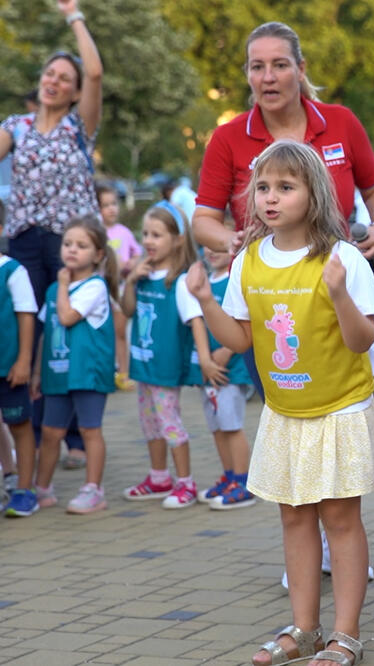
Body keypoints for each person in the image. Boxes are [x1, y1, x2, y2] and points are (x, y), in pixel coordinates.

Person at [189, 139, 374, 666]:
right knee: (295, 518)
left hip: (340, 409)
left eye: (285, 186)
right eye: (262, 187)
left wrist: (340, 294)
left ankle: (345, 635)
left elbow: (363, 341)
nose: (270, 198)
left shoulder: (342, 258)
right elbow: (239, 342)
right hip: (284, 412)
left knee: (341, 521)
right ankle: (304, 630)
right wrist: (205, 300)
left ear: (315, 193)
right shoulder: (249, 260)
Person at [192, 22, 374, 262]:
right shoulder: (227, 137)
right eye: (257, 67)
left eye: (280, 65)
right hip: (261, 279)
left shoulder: (342, 121)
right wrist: (232, 240)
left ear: (300, 69)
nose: (268, 77)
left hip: (335, 273)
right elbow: (203, 220)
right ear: (248, 74)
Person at [0, 0, 103, 310]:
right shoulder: (16, 127)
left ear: (75, 94)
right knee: (24, 322)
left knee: (65, 326)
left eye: (64, 78)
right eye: (50, 74)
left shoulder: (78, 126)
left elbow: (95, 74)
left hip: (72, 243)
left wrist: (74, 16)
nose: (53, 81)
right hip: (24, 240)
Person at [121, 202, 225, 509]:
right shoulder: (143, 274)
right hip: (143, 364)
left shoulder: (179, 282)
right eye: (146, 234)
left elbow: (196, 322)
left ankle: (186, 483)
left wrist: (205, 359)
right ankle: (158, 477)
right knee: (148, 423)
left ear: (178, 240)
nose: (149, 241)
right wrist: (130, 280)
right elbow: (127, 310)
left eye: (157, 234)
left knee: (169, 423)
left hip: (165, 367)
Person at [31, 215, 117, 514]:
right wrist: (37, 373)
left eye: (82, 245)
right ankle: (41, 489)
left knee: (90, 429)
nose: (72, 250)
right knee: (51, 431)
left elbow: (67, 317)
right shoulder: (55, 289)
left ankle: (93, 489)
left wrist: (64, 285)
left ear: (98, 254)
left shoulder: (94, 287)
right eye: (68, 243)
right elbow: (47, 331)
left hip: (87, 372)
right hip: (57, 372)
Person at [190, 246, 255, 510]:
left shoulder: (236, 280)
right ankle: (228, 476)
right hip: (209, 371)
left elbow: (248, 321)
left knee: (231, 425)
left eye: (220, 246)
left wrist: (228, 350)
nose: (212, 251)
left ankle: (243, 482)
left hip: (231, 369)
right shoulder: (204, 281)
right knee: (216, 426)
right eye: (208, 245)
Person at [0, 235, 37, 517]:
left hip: (9, 368)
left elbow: (26, 316)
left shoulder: (13, 271)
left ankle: (25, 489)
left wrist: (24, 361)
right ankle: (8, 475)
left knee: (20, 425)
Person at [95, 182, 141, 390]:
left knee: (120, 331)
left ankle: (123, 372)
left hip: (120, 288)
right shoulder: (95, 233)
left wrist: (131, 263)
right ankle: (105, 372)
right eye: (105, 205)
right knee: (102, 333)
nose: (112, 208)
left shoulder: (123, 232)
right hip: (99, 290)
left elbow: (137, 253)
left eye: (114, 203)